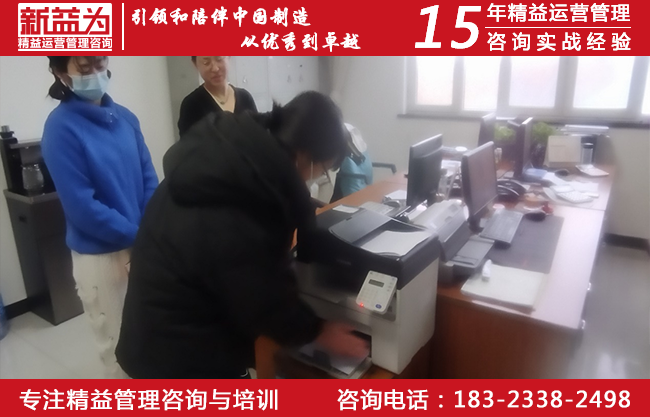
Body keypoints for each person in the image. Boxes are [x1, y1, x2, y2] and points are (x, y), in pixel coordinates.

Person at [116, 91, 368, 378]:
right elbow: (259, 296)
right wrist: (317, 331)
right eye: (322, 171)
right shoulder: (241, 200)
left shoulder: (236, 155)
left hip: (164, 324)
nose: (316, 178)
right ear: (305, 156)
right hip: (175, 354)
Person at [41, 56, 159, 378]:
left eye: (100, 63)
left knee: (152, 341)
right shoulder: (60, 128)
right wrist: (140, 235)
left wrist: (149, 229)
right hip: (102, 258)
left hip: (142, 243)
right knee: (119, 353)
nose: (95, 73)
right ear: (61, 73)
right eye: (84, 68)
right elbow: (83, 207)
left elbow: (148, 177)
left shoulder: (126, 118)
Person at [177, 56, 257, 137]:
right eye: (206, 62)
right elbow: (188, 143)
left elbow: (258, 136)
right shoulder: (191, 105)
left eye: (219, 59)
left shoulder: (245, 98)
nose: (215, 69)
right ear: (195, 64)